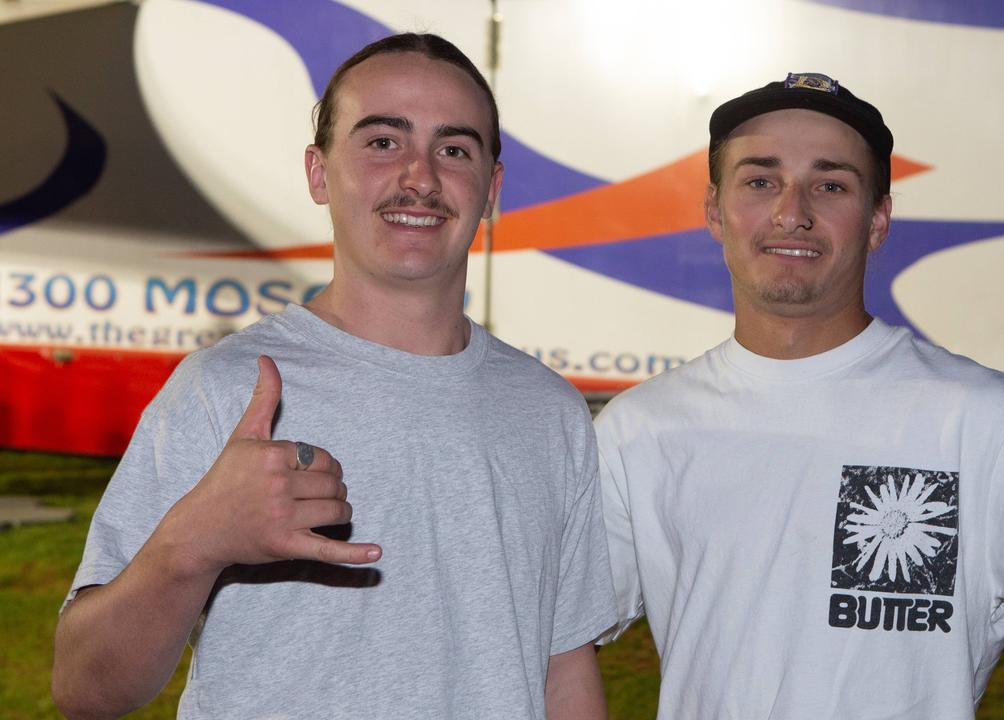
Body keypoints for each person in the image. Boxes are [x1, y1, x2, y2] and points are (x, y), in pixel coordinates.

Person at [53, 33, 615, 720]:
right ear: (319, 173)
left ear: (491, 189)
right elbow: (85, 689)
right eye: (383, 142)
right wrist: (189, 544)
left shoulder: (549, 412)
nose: (420, 177)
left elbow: (562, 668)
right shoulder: (227, 390)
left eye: (455, 149)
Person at [595, 72, 1004, 718]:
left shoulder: (981, 421)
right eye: (761, 180)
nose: (793, 211)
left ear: (878, 221)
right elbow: (550, 652)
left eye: (831, 184)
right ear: (713, 210)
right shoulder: (638, 433)